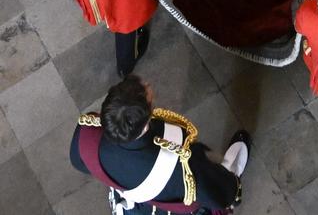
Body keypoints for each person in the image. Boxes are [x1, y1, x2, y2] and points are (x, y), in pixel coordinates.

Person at [70, 75, 250, 214]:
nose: (148, 85)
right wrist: (231, 187)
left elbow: (79, 162)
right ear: (147, 117)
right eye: (148, 96)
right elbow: (221, 195)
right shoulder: (181, 162)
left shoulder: (86, 134)